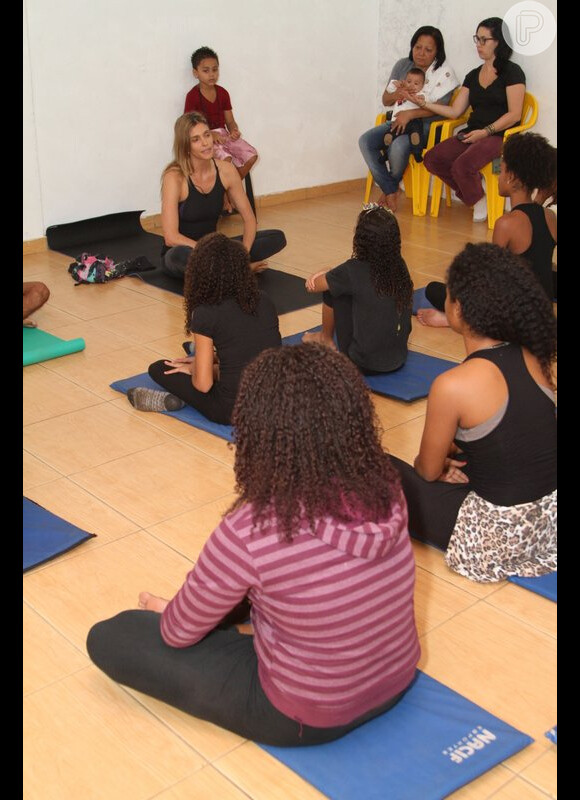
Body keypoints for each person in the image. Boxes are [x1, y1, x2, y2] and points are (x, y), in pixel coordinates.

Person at [86, 343, 421, 746]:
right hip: (397, 682)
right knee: (258, 590)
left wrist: (172, 615)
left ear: (258, 430)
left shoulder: (252, 527)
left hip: (306, 716)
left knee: (114, 635)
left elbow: (176, 635)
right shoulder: (387, 486)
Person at [391, 243, 556, 583]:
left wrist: (441, 462)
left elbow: (426, 469)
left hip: (497, 539)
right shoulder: (533, 354)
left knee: (381, 466)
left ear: (459, 309)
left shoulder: (453, 385)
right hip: (549, 523)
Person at [127, 232, 281, 424]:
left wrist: (194, 370)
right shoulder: (264, 299)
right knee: (223, 360)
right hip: (275, 403)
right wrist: (209, 364)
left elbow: (203, 385)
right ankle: (204, 358)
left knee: (159, 368)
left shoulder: (205, 313)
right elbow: (254, 350)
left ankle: (172, 400)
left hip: (232, 412)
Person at [417, 132, 557, 327]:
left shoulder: (506, 223)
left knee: (435, 290)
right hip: (543, 314)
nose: (499, 176)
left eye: (501, 170)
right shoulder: (550, 217)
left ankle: (450, 321)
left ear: (512, 177)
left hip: (514, 320)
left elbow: (491, 283)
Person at [421, 17, 525, 222]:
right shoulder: (473, 75)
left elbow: (515, 114)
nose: (478, 45)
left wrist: (486, 132)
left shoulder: (512, 72)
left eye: (483, 40)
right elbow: (455, 111)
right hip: (472, 132)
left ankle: (474, 197)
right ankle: (477, 196)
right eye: (476, 39)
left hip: (500, 136)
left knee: (461, 166)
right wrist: (423, 103)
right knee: (433, 159)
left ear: (499, 42)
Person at [160, 112, 286, 278]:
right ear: (185, 145)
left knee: (276, 237)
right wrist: (210, 251)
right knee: (182, 257)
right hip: (184, 251)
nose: (205, 143)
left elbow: (249, 219)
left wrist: (243, 254)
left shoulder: (226, 171)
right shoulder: (174, 177)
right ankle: (235, 271)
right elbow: (171, 237)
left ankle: (231, 268)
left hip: (217, 248)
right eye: (196, 139)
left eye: (207, 135)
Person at [303, 205, 413, 374]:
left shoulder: (351, 270)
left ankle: (325, 338)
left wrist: (326, 270)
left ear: (361, 238)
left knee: (333, 288)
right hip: (398, 358)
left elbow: (314, 287)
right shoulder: (400, 265)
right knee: (340, 283)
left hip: (362, 363)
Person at [358, 26, 458, 211]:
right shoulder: (403, 65)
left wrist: (410, 114)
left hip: (426, 127)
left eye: (428, 50)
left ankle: (389, 189)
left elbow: (441, 109)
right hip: (396, 121)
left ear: (437, 52)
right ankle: (391, 190)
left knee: (398, 146)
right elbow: (386, 99)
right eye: (417, 47)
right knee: (365, 141)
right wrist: (399, 94)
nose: (421, 53)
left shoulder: (443, 74)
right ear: (412, 46)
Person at [184, 46, 258, 214]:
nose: (211, 74)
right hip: (205, 138)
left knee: (251, 155)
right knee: (227, 159)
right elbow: (190, 124)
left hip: (224, 136)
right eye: (206, 70)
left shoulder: (223, 93)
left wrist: (234, 131)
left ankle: (227, 191)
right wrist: (210, 134)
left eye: (215, 70)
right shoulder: (193, 96)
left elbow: (230, 121)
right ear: (196, 73)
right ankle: (227, 197)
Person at [380, 68, 428, 165]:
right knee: (388, 135)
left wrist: (417, 98)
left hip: (412, 121)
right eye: (409, 81)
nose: (411, 85)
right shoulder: (401, 91)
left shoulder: (420, 94)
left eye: (416, 83)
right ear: (404, 81)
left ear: (422, 86)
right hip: (396, 122)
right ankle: (385, 154)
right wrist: (395, 83)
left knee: (416, 132)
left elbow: (425, 101)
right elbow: (389, 90)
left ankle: (417, 152)